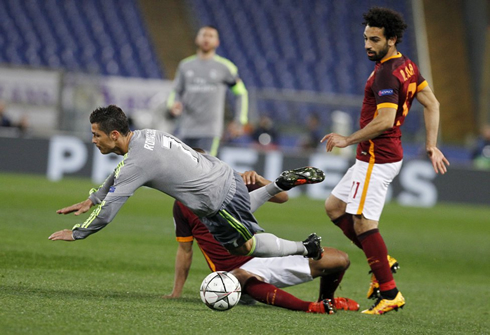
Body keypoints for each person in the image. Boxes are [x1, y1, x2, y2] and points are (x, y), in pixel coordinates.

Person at [49, 105, 326, 263]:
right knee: (238, 223)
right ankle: (276, 185)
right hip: (225, 174)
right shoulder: (147, 135)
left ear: (114, 134)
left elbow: (110, 209)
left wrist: (78, 233)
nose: (94, 140)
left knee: (243, 247)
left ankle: (307, 247)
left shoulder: (138, 162)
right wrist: (93, 198)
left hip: (217, 200)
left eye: (97, 135)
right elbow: (120, 172)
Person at [321, 7, 450, 315]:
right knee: (335, 208)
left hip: (376, 158)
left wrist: (347, 139)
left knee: (363, 222)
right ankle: (382, 258)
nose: (368, 44)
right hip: (378, 156)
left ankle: (390, 293)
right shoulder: (405, 65)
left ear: (391, 39)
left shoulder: (386, 74)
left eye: (375, 39)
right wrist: (431, 145)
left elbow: (385, 120)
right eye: (366, 38)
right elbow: (432, 103)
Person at [166, 170, 359, 314]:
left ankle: (327, 300)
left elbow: (283, 197)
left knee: (340, 259)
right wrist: (176, 291)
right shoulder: (182, 204)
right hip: (230, 274)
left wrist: (258, 180)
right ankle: (309, 307)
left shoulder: (231, 183)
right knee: (241, 275)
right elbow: (185, 250)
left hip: (262, 250)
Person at [166, 25, 248, 156]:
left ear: (217, 42)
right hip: (186, 128)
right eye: (204, 35)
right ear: (197, 39)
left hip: (210, 131)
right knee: (181, 170)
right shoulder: (185, 66)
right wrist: (174, 104)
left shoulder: (225, 67)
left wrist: (239, 120)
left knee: (204, 170)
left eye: (211, 36)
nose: (207, 39)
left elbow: (241, 93)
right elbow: (176, 91)